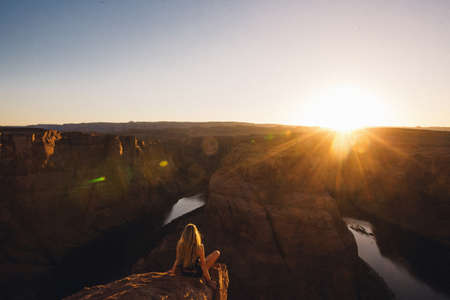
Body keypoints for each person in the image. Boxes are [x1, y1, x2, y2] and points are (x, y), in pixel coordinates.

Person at [168, 223, 221, 289]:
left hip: (184, 272)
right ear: (196, 234)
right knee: (216, 253)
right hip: (195, 273)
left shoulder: (180, 245)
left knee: (199, 261)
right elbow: (203, 265)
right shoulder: (199, 247)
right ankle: (204, 277)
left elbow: (177, 260)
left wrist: (173, 271)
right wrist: (209, 281)